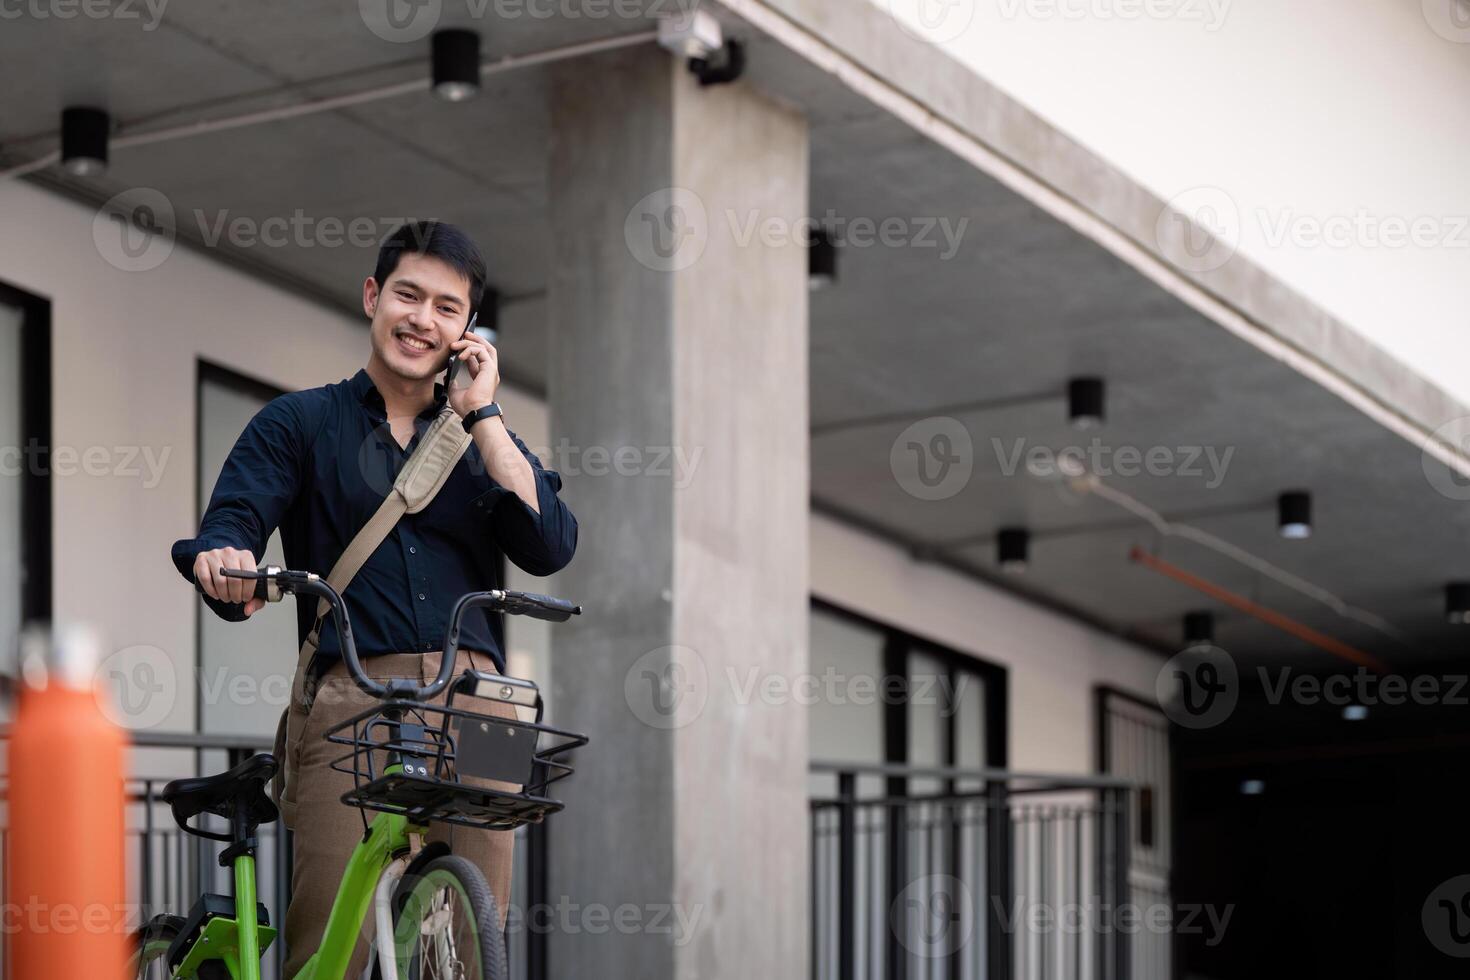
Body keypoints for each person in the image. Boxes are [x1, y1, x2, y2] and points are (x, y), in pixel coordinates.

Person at [170, 220, 577, 977]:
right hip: (356, 692)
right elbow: (232, 523)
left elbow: (550, 544)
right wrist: (225, 559)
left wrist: (483, 414)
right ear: (372, 297)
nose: (423, 319)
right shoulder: (300, 423)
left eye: (447, 308)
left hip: (487, 701)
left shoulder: (486, 446)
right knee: (335, 937)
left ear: (467, 332)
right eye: (408, 295)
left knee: (472, 942)